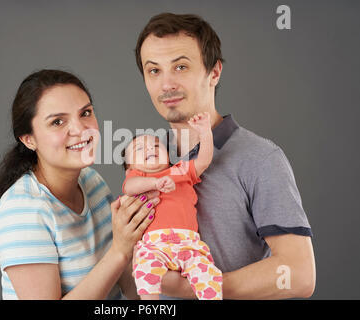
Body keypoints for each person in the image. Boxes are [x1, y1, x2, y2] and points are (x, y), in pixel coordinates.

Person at [133, 13, 316, 299]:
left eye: (180, 67)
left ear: (214, 72)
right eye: (154, 71)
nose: (166, 84)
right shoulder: (148, 157)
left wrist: (198, 287)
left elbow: (298, 274)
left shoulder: (261, 158)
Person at [0, 69, 160, 299]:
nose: (80, 129)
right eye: (57, 122)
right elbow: (118, 257)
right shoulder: (21, 209)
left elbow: (129, 282)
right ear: (28, 139)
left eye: (85, 113)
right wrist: (120, 251)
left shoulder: (92, 182)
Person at [122, 112, 223, 300]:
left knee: (209, 275)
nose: (149, 149)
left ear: (168, 156)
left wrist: (205, 133)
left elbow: (204, 160)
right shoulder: (138, 177)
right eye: (139, 149)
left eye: (155, 145)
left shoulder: (180, 171)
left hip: (190, 244)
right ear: (130, 167)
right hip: (154, 246)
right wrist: (155, 184)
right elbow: (129, 187)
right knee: (144, 270)